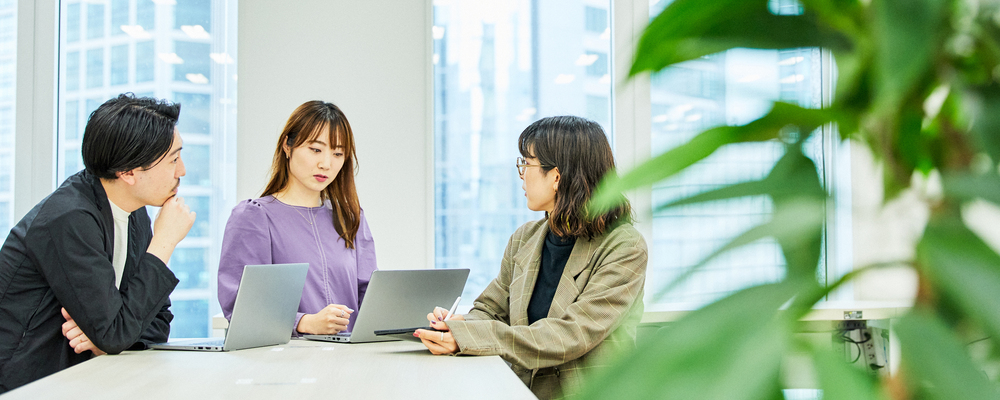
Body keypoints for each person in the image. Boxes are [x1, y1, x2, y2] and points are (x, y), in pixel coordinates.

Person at [414, 116, 647, 399]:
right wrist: (457, 325)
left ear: (557, 177)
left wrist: (467, 338)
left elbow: (571, 334)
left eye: (527, 163)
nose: (522, 174)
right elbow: (490, 309)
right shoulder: (524, 238)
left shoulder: (625, 246)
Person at [0, 94, 196, 393]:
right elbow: (115, 331)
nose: (181, 171)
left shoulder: (133, 212)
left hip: (77, 377)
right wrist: (164, 241)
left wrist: (112, 336)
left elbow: (156, 321)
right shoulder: (69, 218)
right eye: (173, 159)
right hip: (25, 384)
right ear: (128, 172)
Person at [218, 101, 377, 336]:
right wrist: (303, 323)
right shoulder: (254, 217)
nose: (326, 163)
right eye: (315, 149)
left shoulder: (351, 218)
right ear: (287, 146)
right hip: (285, 363)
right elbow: (240, 304)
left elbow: (370, 296)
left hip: (349, 362)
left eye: (338, 153)